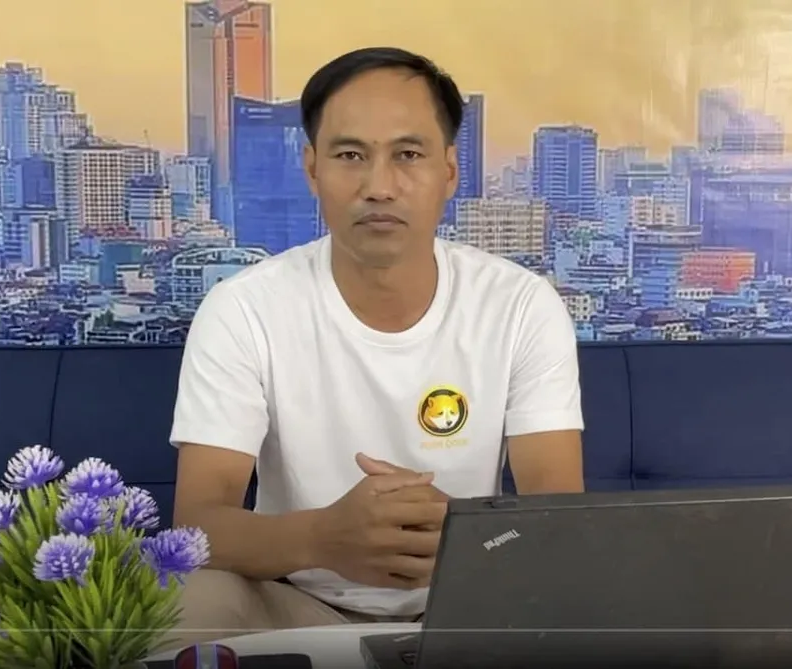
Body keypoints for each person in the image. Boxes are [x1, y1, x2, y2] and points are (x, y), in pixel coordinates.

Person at [165, 46, 585, 647]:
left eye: (407, 155)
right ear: (312, 169)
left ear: (449, 171)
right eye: (350, 156)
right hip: (295, 602)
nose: (379, 186)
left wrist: (464, 535)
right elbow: (198, 526)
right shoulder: (243, 308)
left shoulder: (520, 304)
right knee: (189, 598)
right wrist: (325, 539)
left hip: (474, 604)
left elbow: (558, 518)